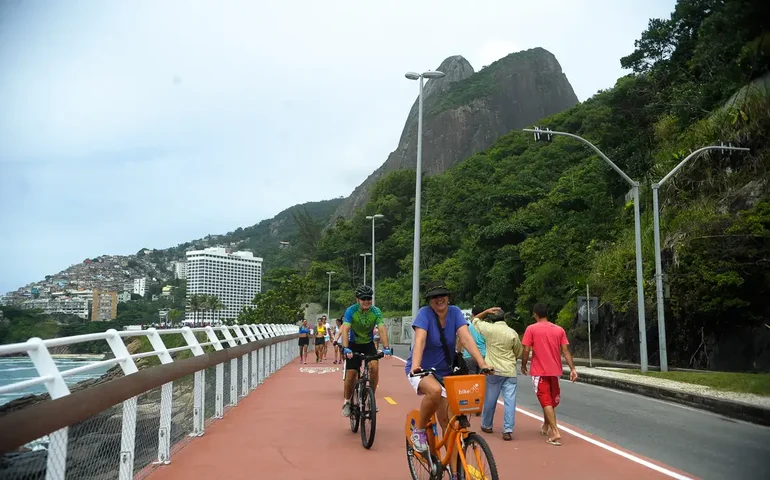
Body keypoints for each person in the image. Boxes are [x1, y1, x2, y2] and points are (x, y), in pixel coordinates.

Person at [405, 281, 492, 466]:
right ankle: (419, 431)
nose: (439, 299)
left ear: (448, 297)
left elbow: (466, 338)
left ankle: (453, 473)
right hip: (423, 369)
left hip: (446, 373)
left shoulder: (455, 312)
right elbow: (420, 340)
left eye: (442, 295)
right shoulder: (424, 314)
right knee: (434, 391)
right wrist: (416, 366)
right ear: (429, 301)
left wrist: (482, 364)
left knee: (450, 425)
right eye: (435, 296)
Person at [520, 303, 578, 447]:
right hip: (555, 371)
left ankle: (555, 431)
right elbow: (565, 351)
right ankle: (546, 425)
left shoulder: (531, 329)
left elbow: (526, 350)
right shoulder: (559, 330)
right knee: (551, 401)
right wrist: (573, 369)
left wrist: (523, 364)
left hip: (539, 372)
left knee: (546, 402)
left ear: (535, 314)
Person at [471, 307, 523, 441]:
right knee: (510, 401)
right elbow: (518, 351)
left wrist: (486, 312)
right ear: (504, 318)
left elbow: (474, 320)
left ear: (492, 319)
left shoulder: (488, 329)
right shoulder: (512, 333)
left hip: (493, 370)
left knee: (490, 399)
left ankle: (487, 424)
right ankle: (508, 429)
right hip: (510, 370)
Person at [340, 285, 391, 417]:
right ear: (357, 299)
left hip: (368, 344)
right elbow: (345, 329)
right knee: (351, 374)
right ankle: (346, 401)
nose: (367, 301)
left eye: (369, 298)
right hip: (353, 344)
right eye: (363, 299)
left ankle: (370, 398)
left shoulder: (376, 311)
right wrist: (346, 347)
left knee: (374, 367)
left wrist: (386, 348)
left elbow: (381, 328)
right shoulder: (351, 311)